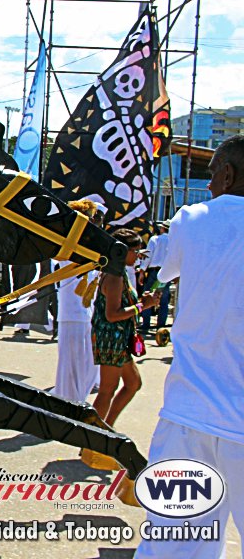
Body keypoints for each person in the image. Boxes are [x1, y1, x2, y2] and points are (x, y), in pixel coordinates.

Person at [134, 135, 244, 558]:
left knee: (174, 544)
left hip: (190, 417)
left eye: (212, 173)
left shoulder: (191, 218)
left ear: (228, 174)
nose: (210, 184)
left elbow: (159, 264)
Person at [90, 228, 159, 428]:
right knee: (106, 392)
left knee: (133, 384)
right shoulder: (115, 277)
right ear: (122, 251)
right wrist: (142, 306)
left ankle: (106, 429)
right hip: (112, 340)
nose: (138, 256)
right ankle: (91, 438)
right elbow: (113, 315)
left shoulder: (117, 273)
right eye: (135, 251)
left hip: (119, 340)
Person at [52, 198, 101, 402]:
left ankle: (75, 400)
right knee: (72, 364)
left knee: (88, 363)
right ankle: (69, 403)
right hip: (72, 312)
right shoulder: (67, 244)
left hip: (86, 313)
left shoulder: (88, 246)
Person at [140, 222, 171, 332]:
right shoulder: (173, 241)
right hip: (166, 273)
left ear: (162, 228)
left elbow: (148, 255)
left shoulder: (155, 239)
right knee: (163, 299)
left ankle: (146, 324)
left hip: (154, 271)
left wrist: (142, 271)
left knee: (148, 295)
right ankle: (160, 326)